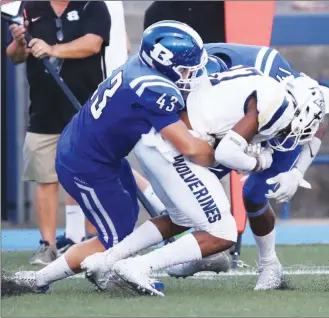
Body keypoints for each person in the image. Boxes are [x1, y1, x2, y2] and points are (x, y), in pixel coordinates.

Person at [80, 50, 329, 296]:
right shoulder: (229, 80)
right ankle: (149, 263)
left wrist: (296, 172)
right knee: (220, 227)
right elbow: (224, 152)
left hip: (190, 137)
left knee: (196, 211)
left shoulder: (289, 91)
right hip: (192, 140)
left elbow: (319, 119)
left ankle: (106, 259)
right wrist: (256, 162)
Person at [4, 20, 214, 295]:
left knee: (125, 223)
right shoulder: (153, 89)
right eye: (185, 68)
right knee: (114, 241)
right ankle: (37, 280)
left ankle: (99, 270)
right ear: (166, 63)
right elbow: (191, 148)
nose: (189, 74)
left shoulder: (139, 67)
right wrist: (227, 149)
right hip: (87, 164)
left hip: (97, 153)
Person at [166, 43, 329, 290]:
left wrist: (297, 172)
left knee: (254, 194)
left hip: (277, 124)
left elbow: (318, 117)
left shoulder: (273, 78)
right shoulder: (194, 75)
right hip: (233, 122)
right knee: (191, 176)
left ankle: (269, 265)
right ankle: (210, 251)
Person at [6, 0, 111, 264]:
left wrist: (52, 49)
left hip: (86, 109)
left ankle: (92, 239)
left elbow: (93, 44)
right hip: (43, 110)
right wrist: (20, 42)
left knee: (90, 174)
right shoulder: (31, 7)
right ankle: (47, 245)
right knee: (45, 179)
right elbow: (15, 56)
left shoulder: (92, 5)